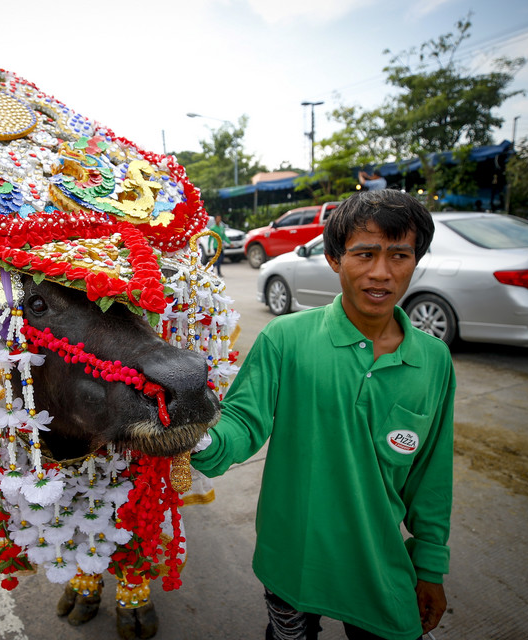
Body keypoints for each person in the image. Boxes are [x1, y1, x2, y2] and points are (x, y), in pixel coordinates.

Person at [192, 190, 454, 640]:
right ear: (334, 258)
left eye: (399, 255)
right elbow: (242, 420)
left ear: (417, 260)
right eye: (364, 254)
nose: (381, 273)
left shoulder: (433, 360)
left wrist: (430, 564)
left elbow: (431, 475)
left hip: (378, 561)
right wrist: (197, 436)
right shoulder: (286, 338)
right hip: (293, 558)